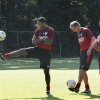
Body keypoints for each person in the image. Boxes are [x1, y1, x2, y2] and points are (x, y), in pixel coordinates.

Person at [0, 17, 54, 95]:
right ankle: (5, 56)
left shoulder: (50, 30)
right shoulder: (38, 31)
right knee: (23, 51)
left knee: (46, 71)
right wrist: (42, 40)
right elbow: (33, 42)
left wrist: (39, 41)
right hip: (37, 49)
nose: (37, 25)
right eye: (37, 23)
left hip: (46, 53)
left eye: (38, 23)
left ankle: (48, 87)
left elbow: (49, 42)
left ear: (43, 23)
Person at [69, 21, 95, 93]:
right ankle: (87, 89)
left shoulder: (85, 30)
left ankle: (77, 87)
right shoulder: (79, 33)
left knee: (81, 69)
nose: (73, 31)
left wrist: (90, 49)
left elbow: (93, 39)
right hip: (83, 52)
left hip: (87, 51)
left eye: (74, 29)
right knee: (83, 71)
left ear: (77, 26)